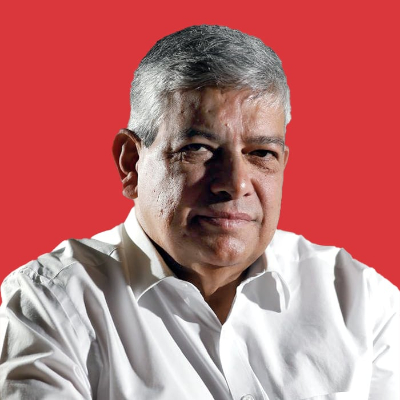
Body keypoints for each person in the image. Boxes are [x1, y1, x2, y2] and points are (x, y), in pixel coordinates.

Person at [0, 25, 398, 400]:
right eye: (198, 149)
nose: (235, 184)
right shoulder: (50, 303)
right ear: (131, 163)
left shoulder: (361, 302)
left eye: (261, 153)